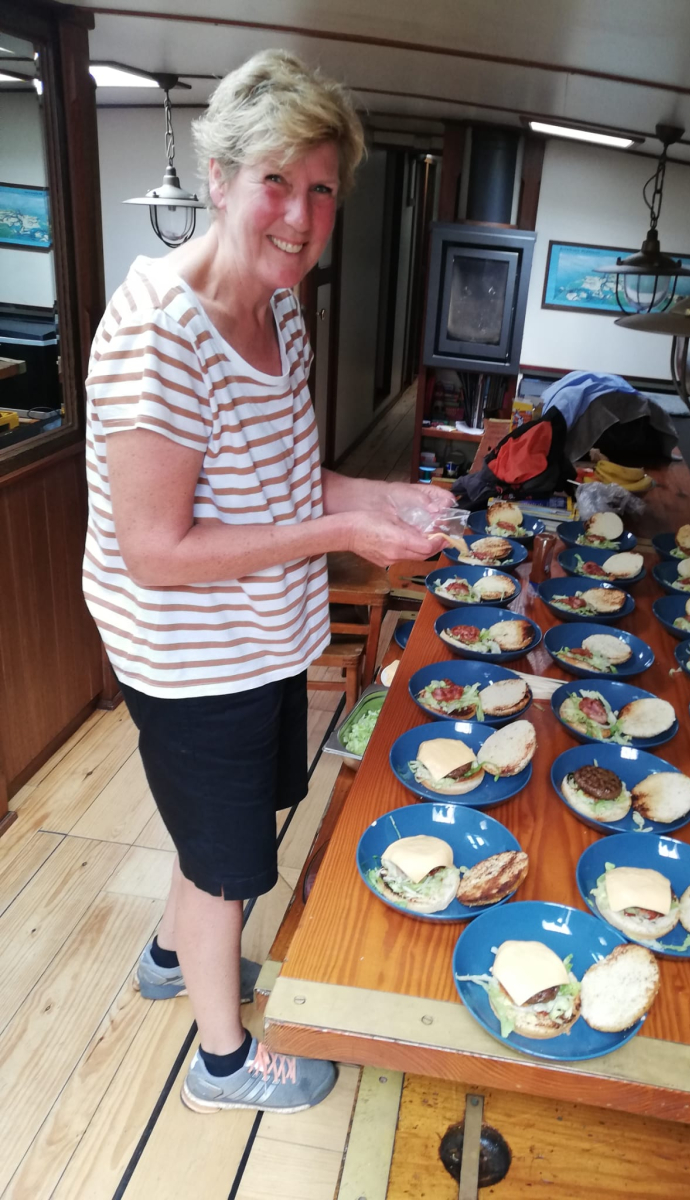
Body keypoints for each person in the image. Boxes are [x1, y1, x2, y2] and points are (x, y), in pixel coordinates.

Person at [82, 49, 453, 1115]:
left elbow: (280, 477)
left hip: (263, 633)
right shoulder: (160, 331)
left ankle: (171, 956)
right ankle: (223, 1064)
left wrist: (380, 498)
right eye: (276, 181)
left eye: (323, 188)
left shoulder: (281, 305)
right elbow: (156, 549)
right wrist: (342, 529)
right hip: (190, 654)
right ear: (219, 177)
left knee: (220, 827)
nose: (301, 215)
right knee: (228, 863)